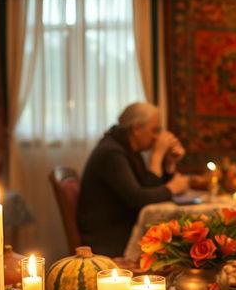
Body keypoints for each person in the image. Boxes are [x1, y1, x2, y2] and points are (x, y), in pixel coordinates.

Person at [76, 102, 189, 256]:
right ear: (136, 128)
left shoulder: (127, 149)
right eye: (155, 130)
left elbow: (147, 189)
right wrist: (158, 161)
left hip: (122, 228)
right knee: (180, 242)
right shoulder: (111, 153)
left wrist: (169, 164)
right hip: (110, 238)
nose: (157, 137)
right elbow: (139, 199)